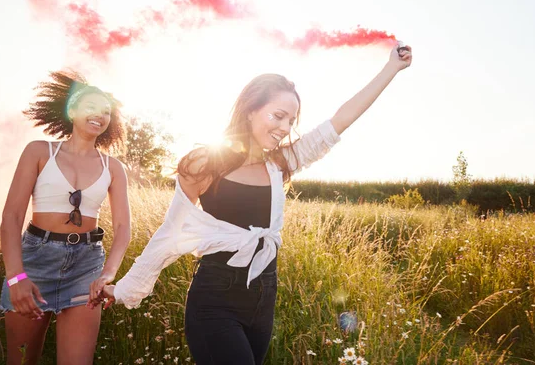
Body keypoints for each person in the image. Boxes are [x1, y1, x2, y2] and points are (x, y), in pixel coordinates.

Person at [93, 42, 412, 364]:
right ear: (250, 111)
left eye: (291, 120)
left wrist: (391, 69)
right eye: (278, 116)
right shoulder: (205, 164)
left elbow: (341, 119)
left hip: (263, 297)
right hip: (215, 299)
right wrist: (124, 288)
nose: (285, 128)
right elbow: (170, 231)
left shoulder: (281, 164)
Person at [0, 70, 131, 365]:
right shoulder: (39, 151)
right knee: (21, 361)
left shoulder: (114, 168)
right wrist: (16, 276)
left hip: (86, 268)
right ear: (72, 111)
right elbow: (11, 216)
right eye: (91, 107)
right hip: (34, 261)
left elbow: (123, 228)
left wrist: (107, 275)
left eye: (106, 111)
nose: (100, 115)